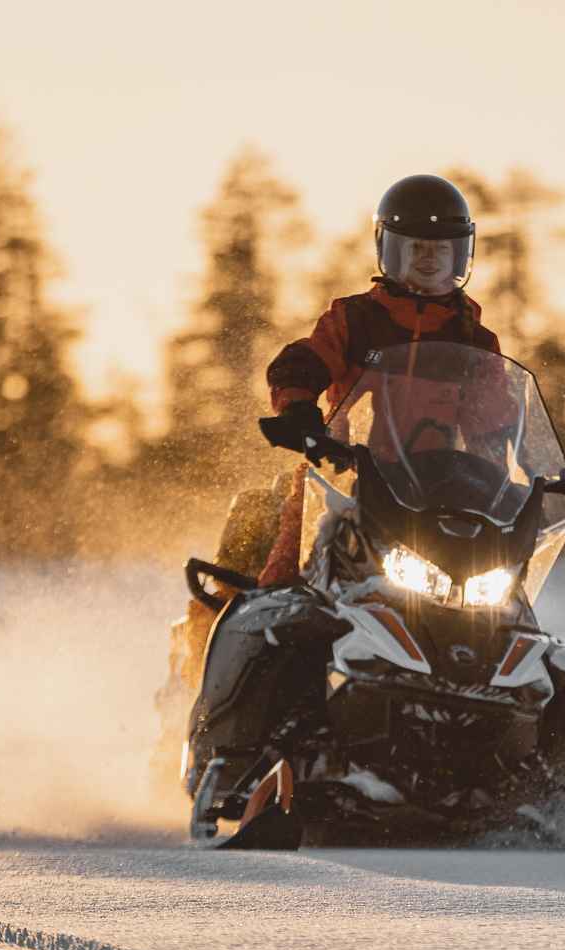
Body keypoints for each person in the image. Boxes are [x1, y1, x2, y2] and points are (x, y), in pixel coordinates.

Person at [168, 174, 502, 692]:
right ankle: (238, 685)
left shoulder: (475, 339)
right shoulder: (356, 319)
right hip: (345, 480)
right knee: (286, 579)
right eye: (415, 249)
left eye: (442, 250)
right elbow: (302, 361)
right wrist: (299, 408)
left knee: (492, 597)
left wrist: (527, 473)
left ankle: (497, 700)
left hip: (438, 494)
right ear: (388, 251)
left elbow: (495, 418)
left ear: (463, 257)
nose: (429, 260)